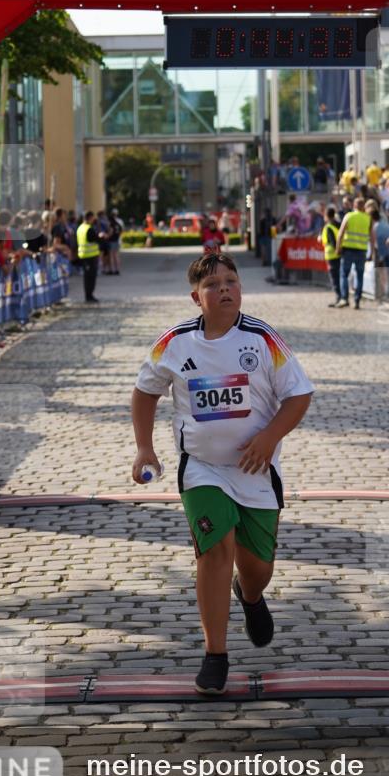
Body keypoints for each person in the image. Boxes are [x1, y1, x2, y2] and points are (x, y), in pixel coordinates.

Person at [131, 252, 314, 695]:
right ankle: (215, 654)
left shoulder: (263, 338)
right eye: (213, 284)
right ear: (197, 297)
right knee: (215, 551)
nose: (225, 288)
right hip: (202, 468)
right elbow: (144, 391)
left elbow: (299, 395)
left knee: (257, 569)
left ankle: (249, 596)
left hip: (256, 474)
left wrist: (270, 438)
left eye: (231, 281)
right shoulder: (173, 342)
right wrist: (144, 448)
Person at [335, 196, 375, 309]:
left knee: (344, 275)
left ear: (354, 205)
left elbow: (341, 233)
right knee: (360, 276)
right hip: (362, 251)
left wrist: (338, 248)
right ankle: (357, 300)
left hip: (348, 250)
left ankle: (344, 299)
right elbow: (372, 237)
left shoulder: (349, 216)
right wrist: (371, 251)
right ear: (363, 207)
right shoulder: (368, 218)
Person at [76, 211, 101, 303]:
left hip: (83, 255)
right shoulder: (89, 229)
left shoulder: (80, 228)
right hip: (90, 256)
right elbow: (94, 239)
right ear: (90, 218)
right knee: (90, 278)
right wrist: (100, 236)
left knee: (87, 277)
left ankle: (88, 295)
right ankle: (89, 296)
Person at [321, 206, 342, 307]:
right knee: (340, 277)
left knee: (335, 278)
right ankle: (342, 297)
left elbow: (332, 242)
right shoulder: (339, 224)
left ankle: (338, 298)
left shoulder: (328, 227)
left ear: (326, 216)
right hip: (340, 254)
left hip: (332, 256)